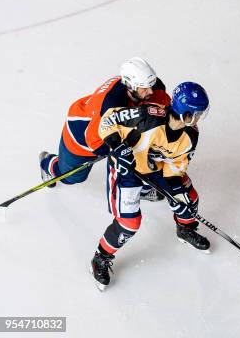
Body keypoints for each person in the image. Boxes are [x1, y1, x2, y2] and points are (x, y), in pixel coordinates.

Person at [90, 82, 210, 291]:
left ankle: (185, 228)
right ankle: (101, 257)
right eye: (196, 114)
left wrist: (175, 194)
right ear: (184, 112)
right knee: (129, 223)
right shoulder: (148, 115)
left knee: (188, 198)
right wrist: (117, 146)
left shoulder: (191, 135)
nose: (198, 119)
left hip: (154, 170)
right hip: (127, 171)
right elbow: (108, 119)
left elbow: (175, 168)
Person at [39, 57, 171, 201]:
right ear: (130, 86)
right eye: (144, 88)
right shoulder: (109, 106)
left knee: (138, 151)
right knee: (71, 178)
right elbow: (94, 142)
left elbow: (163, 104)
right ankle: (47, 162)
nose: (150, 91)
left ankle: (138, 188)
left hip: (107, 122)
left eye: (150, 85)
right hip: (81, 135)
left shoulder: (149, 86)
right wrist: (120, 148)